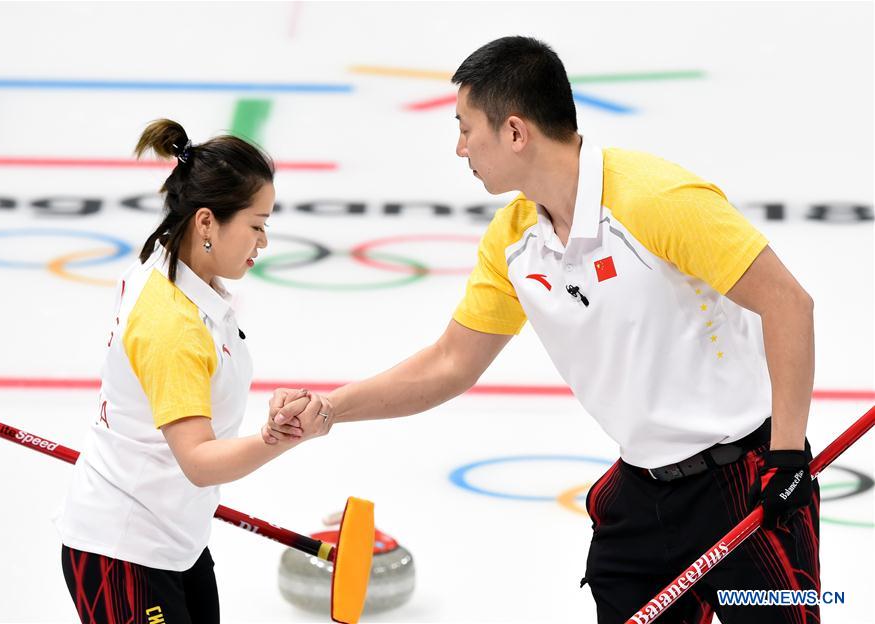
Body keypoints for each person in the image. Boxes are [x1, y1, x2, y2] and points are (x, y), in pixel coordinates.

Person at [267, 37, 819, 623]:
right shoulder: (513, 242)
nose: (459, 148)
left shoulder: (659, 200)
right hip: (641, 497)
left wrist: (786, 458)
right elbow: (451, 362)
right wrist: (331, 410)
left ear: (514, 131)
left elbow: (788, 305)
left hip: (750, 484)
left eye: (464, 128)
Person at [54, 119, 331, 624]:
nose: (264, 241)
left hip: (174, 540)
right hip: (126, 548)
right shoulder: (172, 323)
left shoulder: (180, 274)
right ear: (206, 222)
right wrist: (281, 436)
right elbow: (199, 461)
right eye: (257, 224)